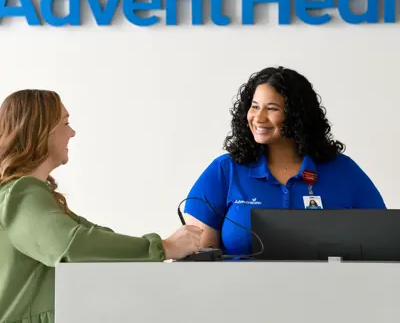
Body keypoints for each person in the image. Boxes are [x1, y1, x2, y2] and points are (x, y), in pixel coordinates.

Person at [0, 89, 202, 323]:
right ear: (40, 131)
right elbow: (71, 245)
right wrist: (163, 247)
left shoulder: (30, 194)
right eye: (65, 123)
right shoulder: (20, 194)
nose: (72, 133)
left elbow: (93, 237)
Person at [184, 66, 386, 257]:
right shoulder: (225, 170)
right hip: (240, 291)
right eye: (254, 107)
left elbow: (382, 241)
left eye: (271, 109)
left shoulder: (344, 171)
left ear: (297, 116)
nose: (258, 117)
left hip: (328, 291)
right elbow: (201, 259)